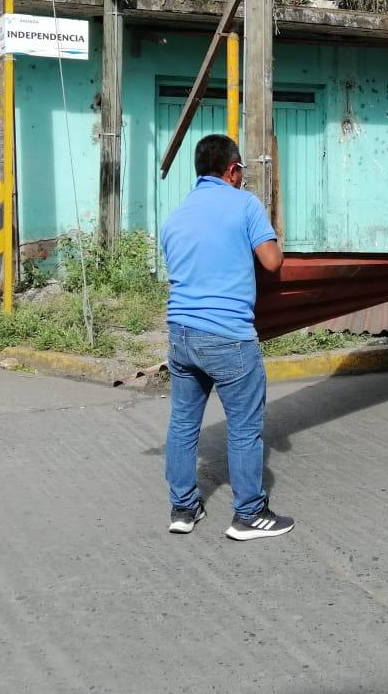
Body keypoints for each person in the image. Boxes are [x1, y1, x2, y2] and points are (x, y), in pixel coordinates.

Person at [160, 134, 292, 541]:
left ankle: (183, 509)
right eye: (241, 173)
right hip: (229, 337)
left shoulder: (175, 215)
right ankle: (249, 515)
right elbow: (272, 262)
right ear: (233, 171)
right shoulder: (245, 204)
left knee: (183, 424)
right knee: (244, 427)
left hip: (181, 335)